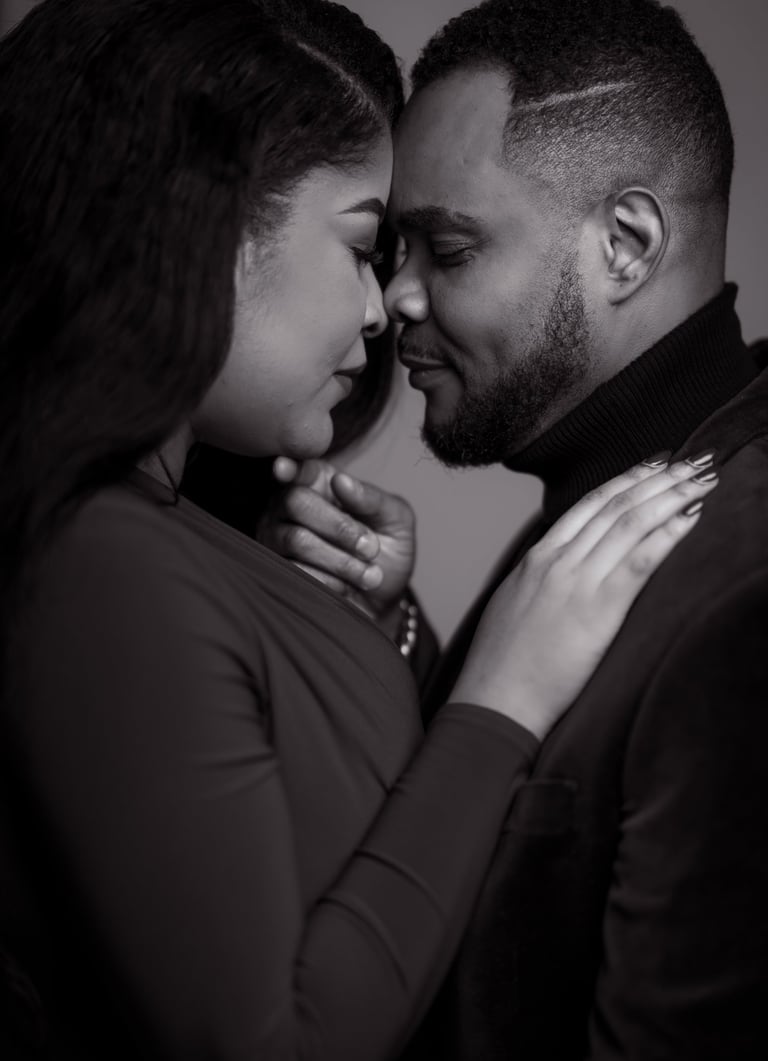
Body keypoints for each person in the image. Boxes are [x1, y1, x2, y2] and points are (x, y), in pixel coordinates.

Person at [0, 1, 716, 1059]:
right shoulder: (103, 556)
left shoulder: (170, 532)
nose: (385, 308)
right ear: (206, 231)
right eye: (364, 246)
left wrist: (392, 635)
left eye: (440, 249)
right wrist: (499, 699)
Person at [264, 1, 768, 1058]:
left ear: (626, 244)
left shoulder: (742, 586)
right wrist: (400, 638)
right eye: (393, 248)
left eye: (447, 249)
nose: (393, 298)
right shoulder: (611, 495)